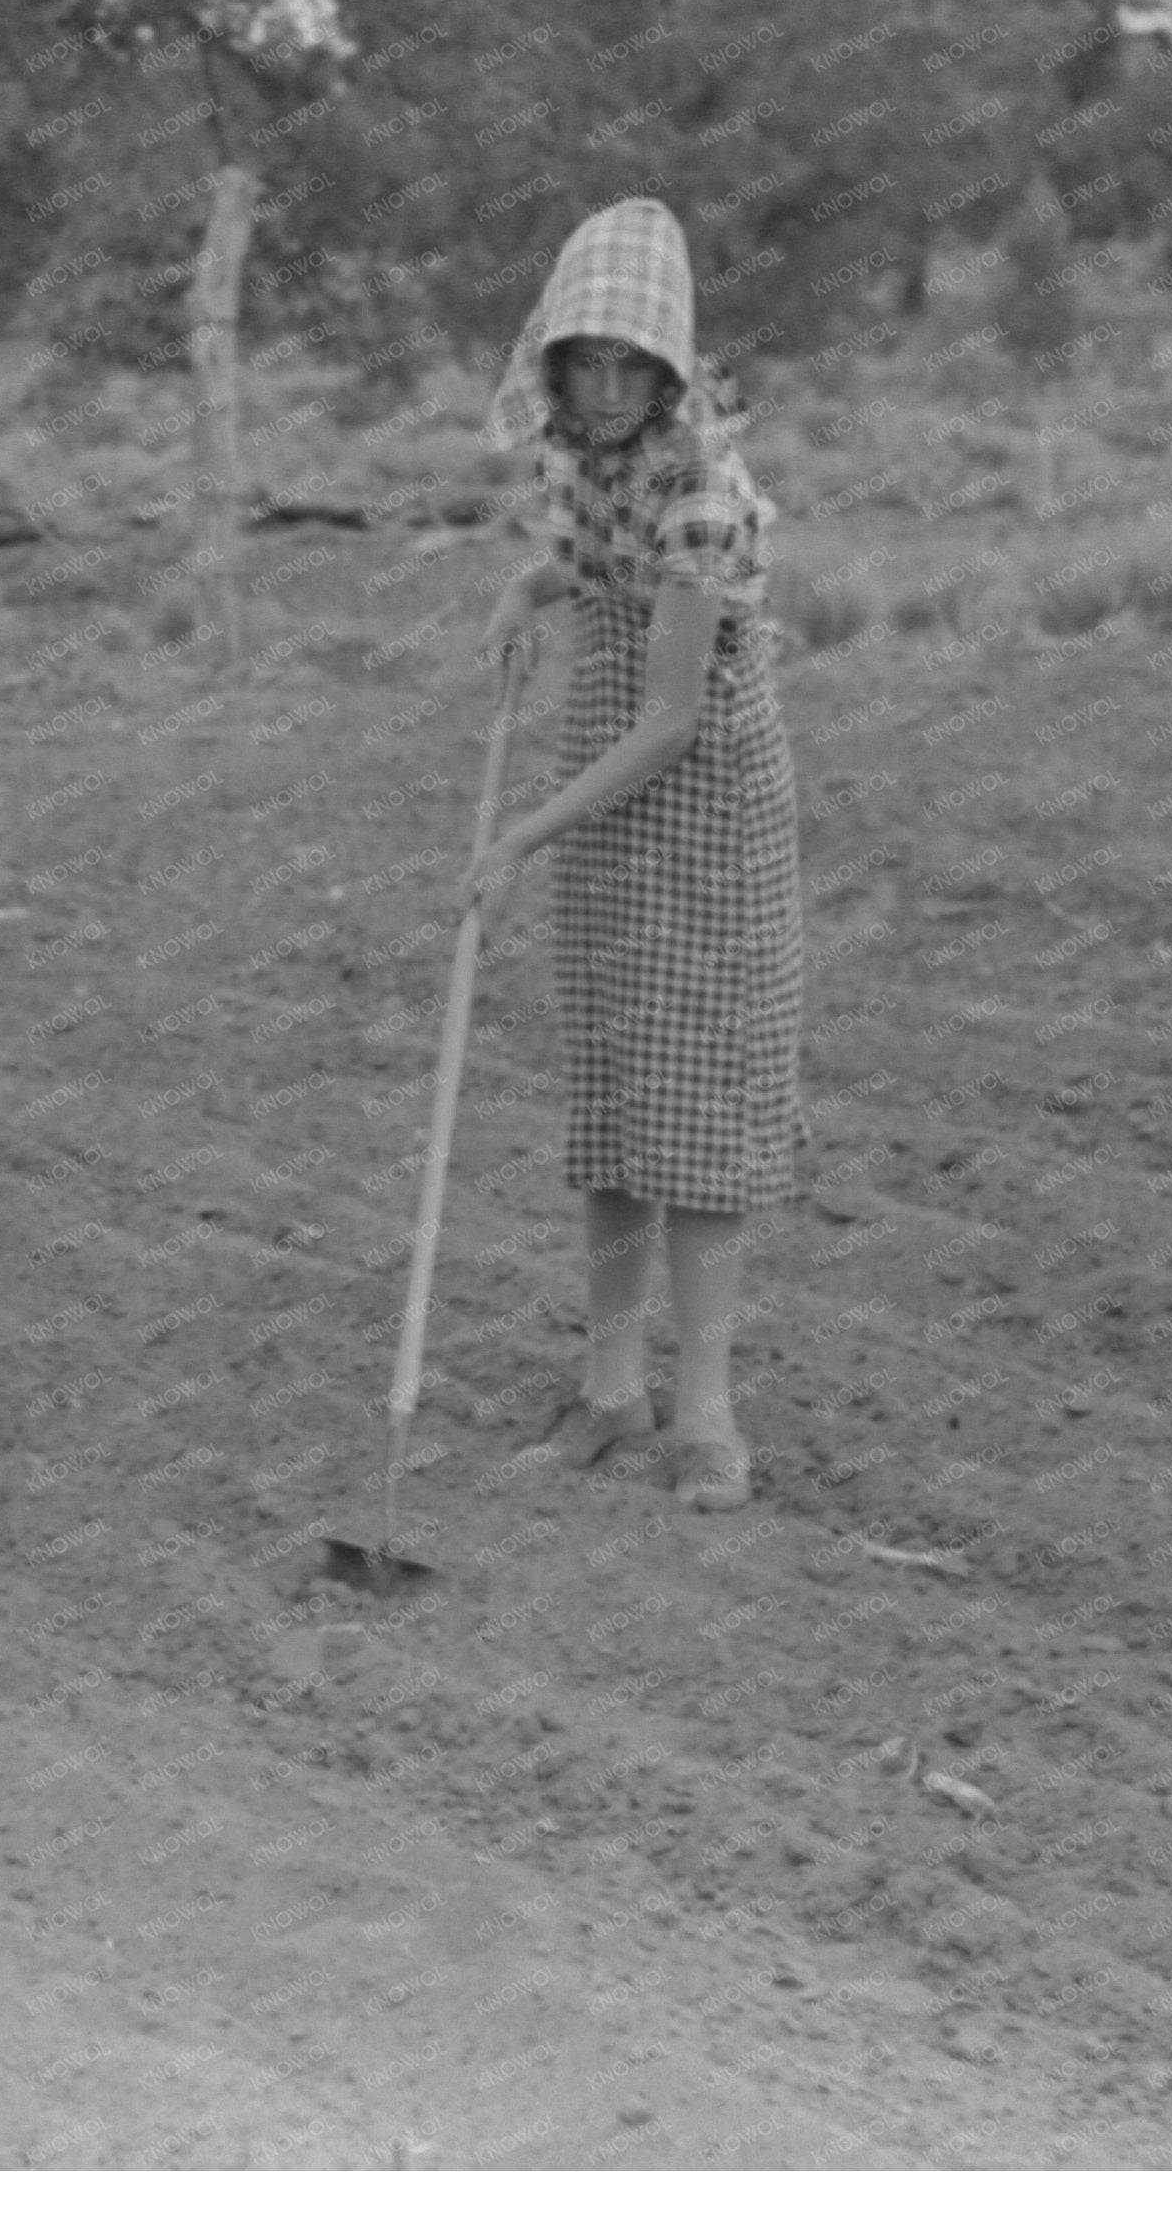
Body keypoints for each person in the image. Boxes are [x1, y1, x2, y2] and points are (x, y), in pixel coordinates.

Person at [461, 197, 803, 1512]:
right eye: (581, 362)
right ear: (552, 363)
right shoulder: (593, 471)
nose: (603, 389)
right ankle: (609, 1392)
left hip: (698, 802)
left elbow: (671, 717)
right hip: (601, 785)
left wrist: (522, 837)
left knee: (697, 1109)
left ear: (666, 372)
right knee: (612, 1097)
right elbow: (590, 568)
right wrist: (523, 587)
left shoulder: (703, 502)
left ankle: (705, 1415)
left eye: (627, 366)